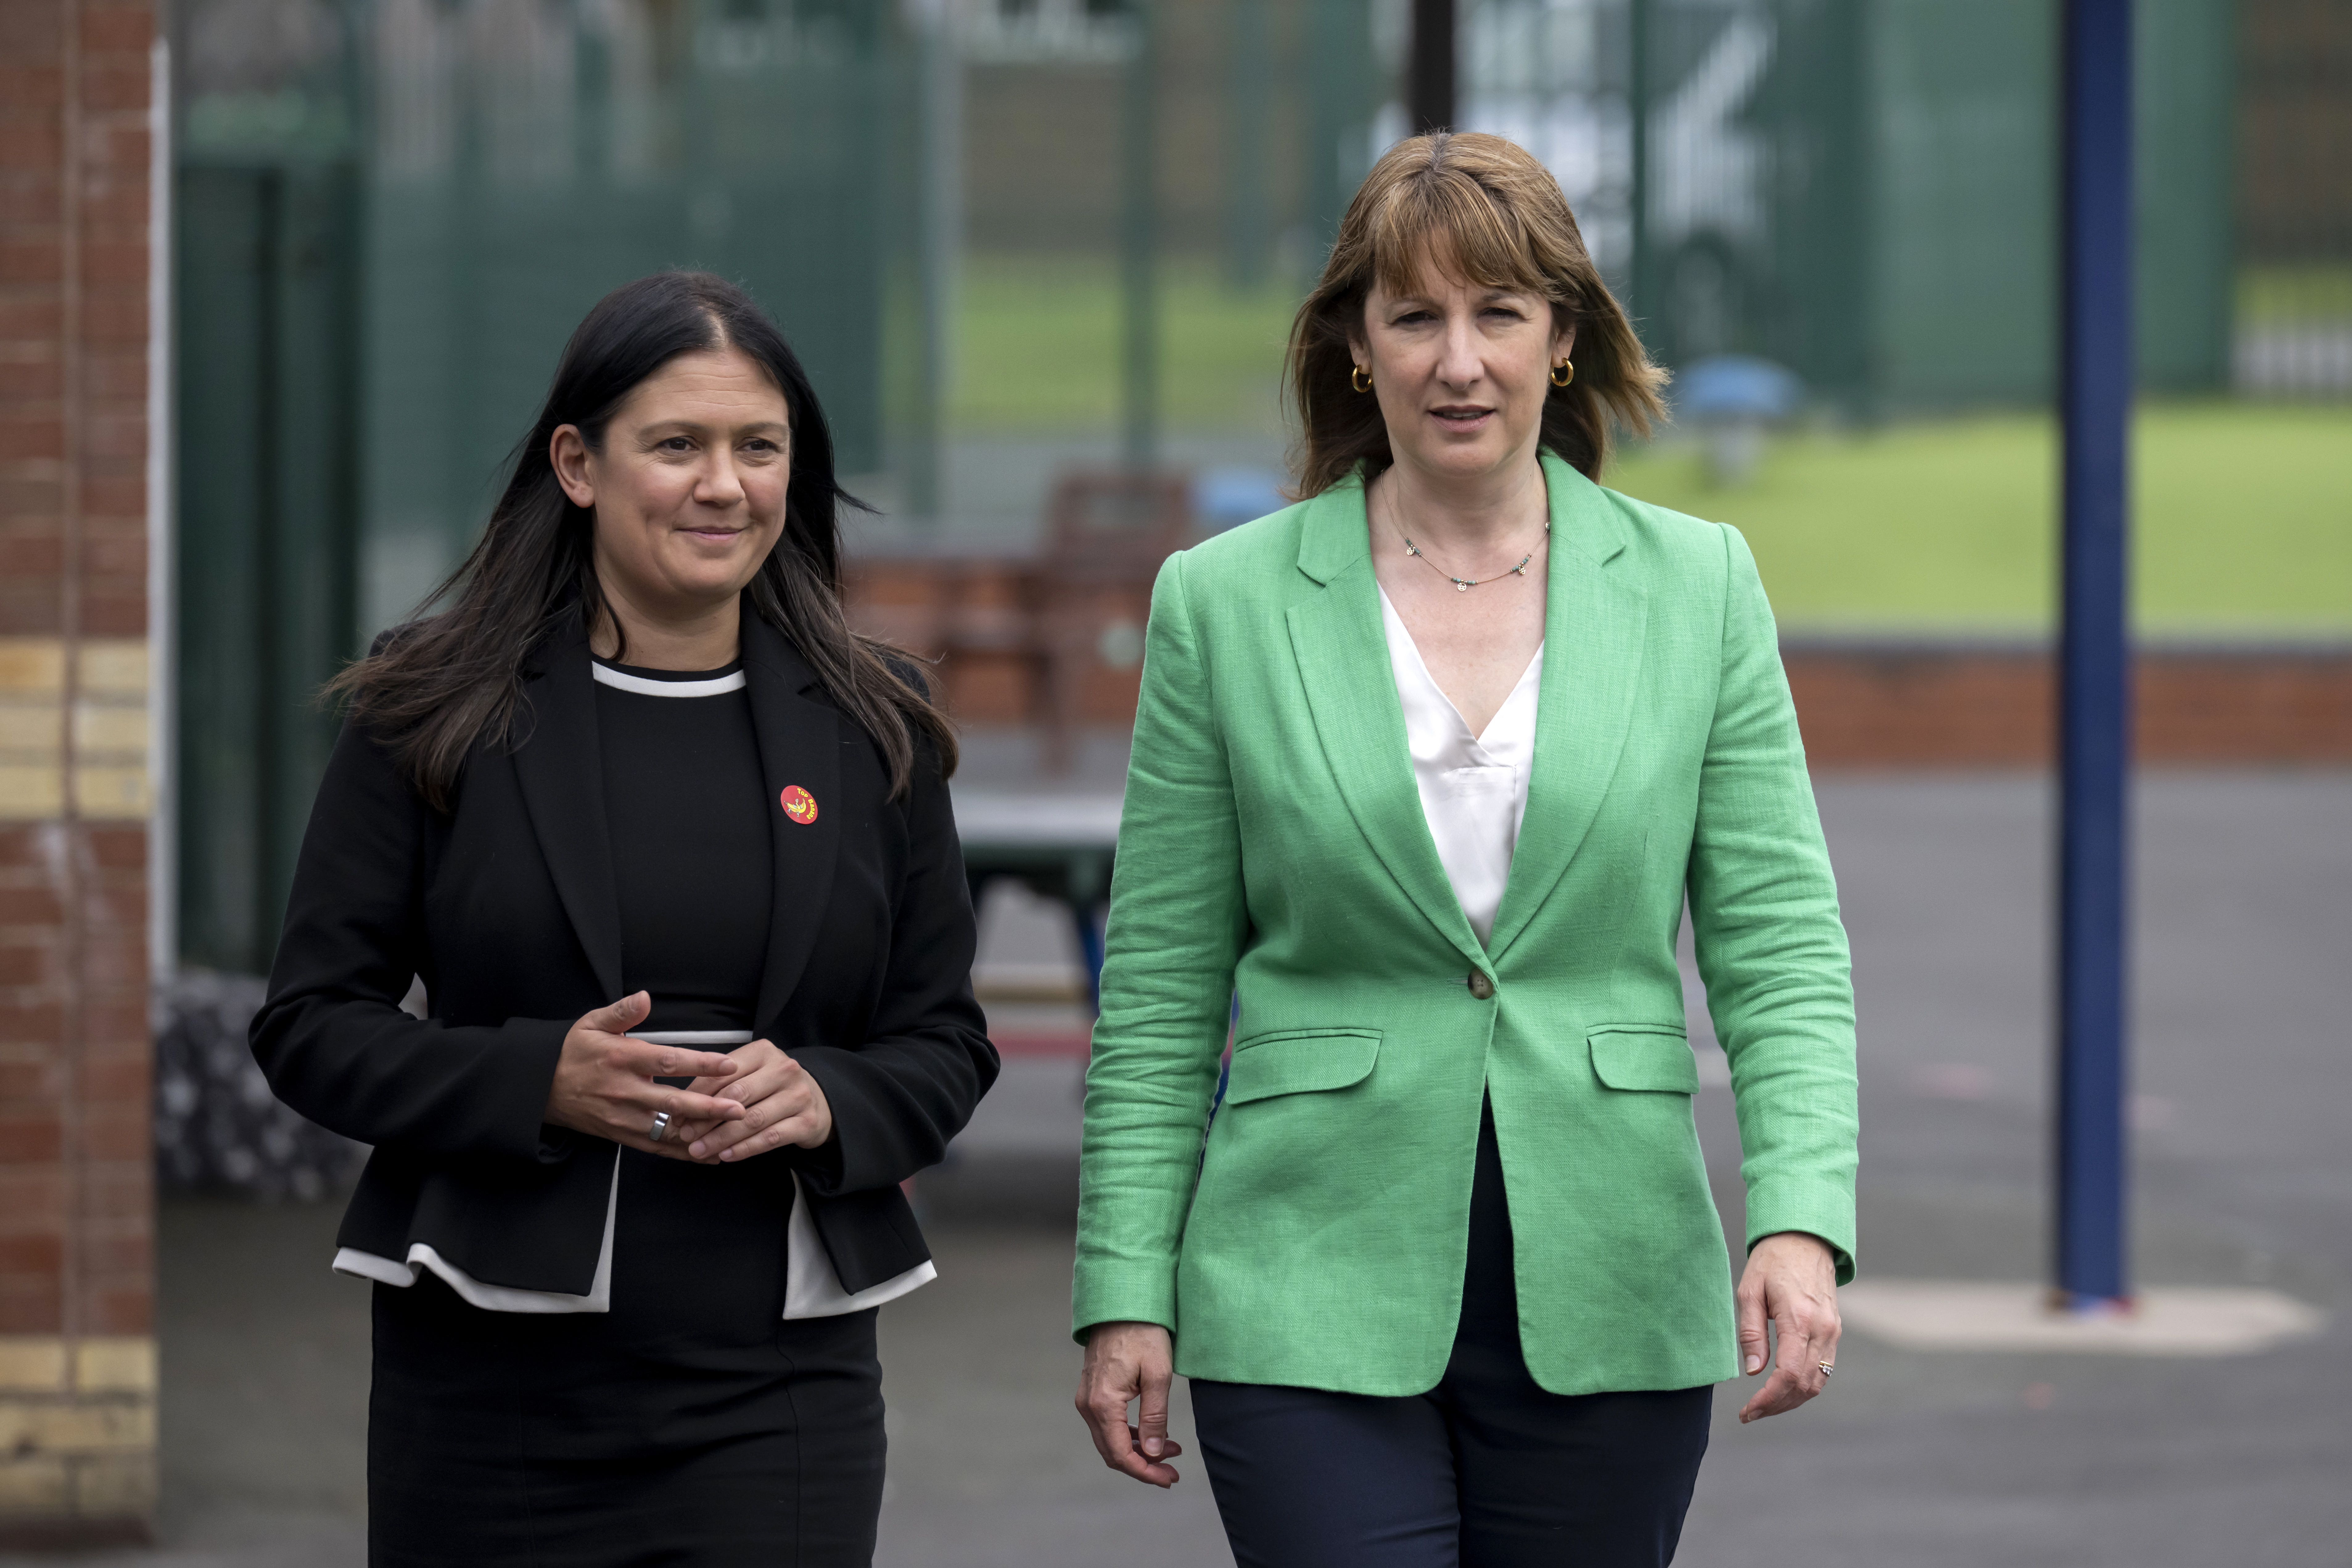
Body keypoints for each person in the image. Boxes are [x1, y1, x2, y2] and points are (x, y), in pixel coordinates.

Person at [1071, 132, 1858, 1567]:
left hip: (1612, 1278)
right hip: (1301, 1277)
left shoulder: (1698, 587)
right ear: (1352, 346)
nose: (1456, 362)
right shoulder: (1221, 603)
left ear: (1562, 338)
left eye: (1497, 313)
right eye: (1412, 316)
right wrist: (1124, 1281)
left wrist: (1799, 1222)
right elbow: (1162, 984)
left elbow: (1779, 949)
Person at [251, 271, 996, 1567]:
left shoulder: (873, 724)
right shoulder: (432, 708)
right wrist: (536, 1080)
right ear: (577, 465)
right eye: (677, 446)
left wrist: (828, 1098)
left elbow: (942, 1042)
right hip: (487, 1391)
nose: (724, 486)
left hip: (778, 1392)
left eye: (757, 447)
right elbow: (311, 1026)